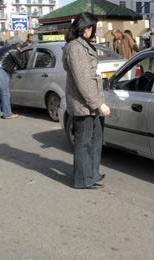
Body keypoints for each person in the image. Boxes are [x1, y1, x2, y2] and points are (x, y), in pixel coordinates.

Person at [63, 12, 111, 190]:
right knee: (84, 142)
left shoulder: (82, 45)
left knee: (95, 139)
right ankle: (83, 180)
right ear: (85, 28)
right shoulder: (75, 48)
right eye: (93, 27)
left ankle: (92, 173)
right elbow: (83, 81)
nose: (94, 31)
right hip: (84, 104)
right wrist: (98, 104)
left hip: (90, 102)